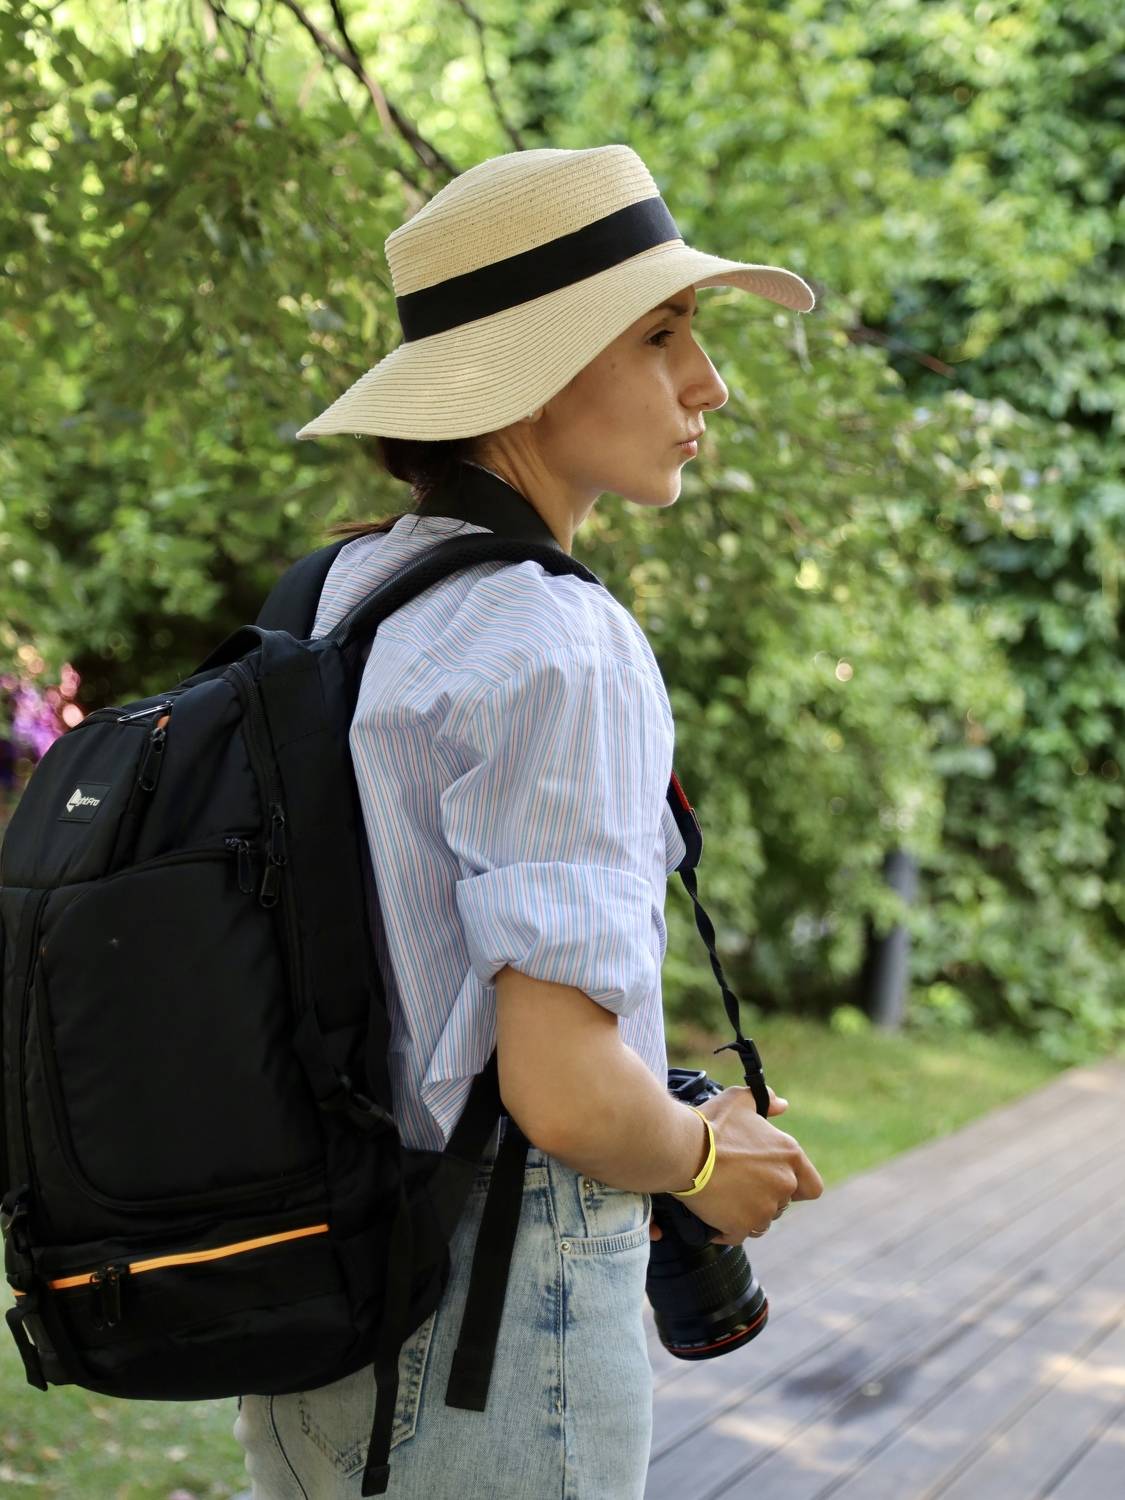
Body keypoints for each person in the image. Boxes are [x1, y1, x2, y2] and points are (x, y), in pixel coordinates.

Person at [233, 143, 824, 1500]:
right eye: (663, 334)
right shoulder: (559, 638)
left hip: (327, 1314)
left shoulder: (340, 595)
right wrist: (702, 1159)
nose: (707, 383)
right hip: (494, 1327)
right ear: (534, 371)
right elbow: (559, 1093)